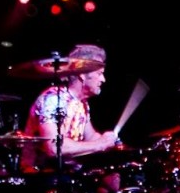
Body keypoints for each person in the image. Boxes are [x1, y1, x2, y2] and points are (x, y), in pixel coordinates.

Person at [20, 43, 125, 177]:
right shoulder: (53, 99)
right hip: (41, 176)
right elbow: (54, 148)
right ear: (82, 74)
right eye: (99, 74)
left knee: (113, 178)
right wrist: (99, 144)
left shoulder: (82, 103)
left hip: (69, 174)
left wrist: (110, 142)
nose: (103, 79)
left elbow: (91, 136)